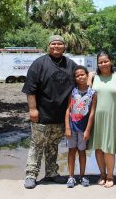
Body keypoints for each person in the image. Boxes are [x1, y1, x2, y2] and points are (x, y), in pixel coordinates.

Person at [22, 35, 77, 189]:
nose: (56, 46)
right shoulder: (39, 64)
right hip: (41, 113)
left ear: (64, 46)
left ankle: (51, 173)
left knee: (53, 146)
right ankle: (31, 175)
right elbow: (30, 90)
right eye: (53, 44)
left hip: (61, 116)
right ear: (48, 46)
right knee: (37, 145)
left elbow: (80, 80)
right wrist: (32, 109)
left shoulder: (70, 64)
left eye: (60, 44)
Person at [87, 51, 116, 188]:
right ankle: (102, 174)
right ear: (97, 63)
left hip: (112, 118)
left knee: (109, 148)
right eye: (100, 62)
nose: (103, 64)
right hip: (96, 117)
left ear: (111, 61)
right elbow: (86, 96)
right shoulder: (93, 77)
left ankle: (110, 176)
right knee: (98, 148)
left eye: (106, 61)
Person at [65, 65, 97, 188]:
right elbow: (68, 110)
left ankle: (83, 176)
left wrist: (88, 130)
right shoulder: (72, 91)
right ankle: (71, 177)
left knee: (82, 152)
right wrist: (67, 127)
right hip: (72, 127)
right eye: (77, 75)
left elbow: (92, 113)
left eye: (82, 74)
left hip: (84, 129)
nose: (80, 77)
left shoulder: (92, 93)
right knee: (71, 151)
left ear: (87, 75)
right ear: (75, 78)